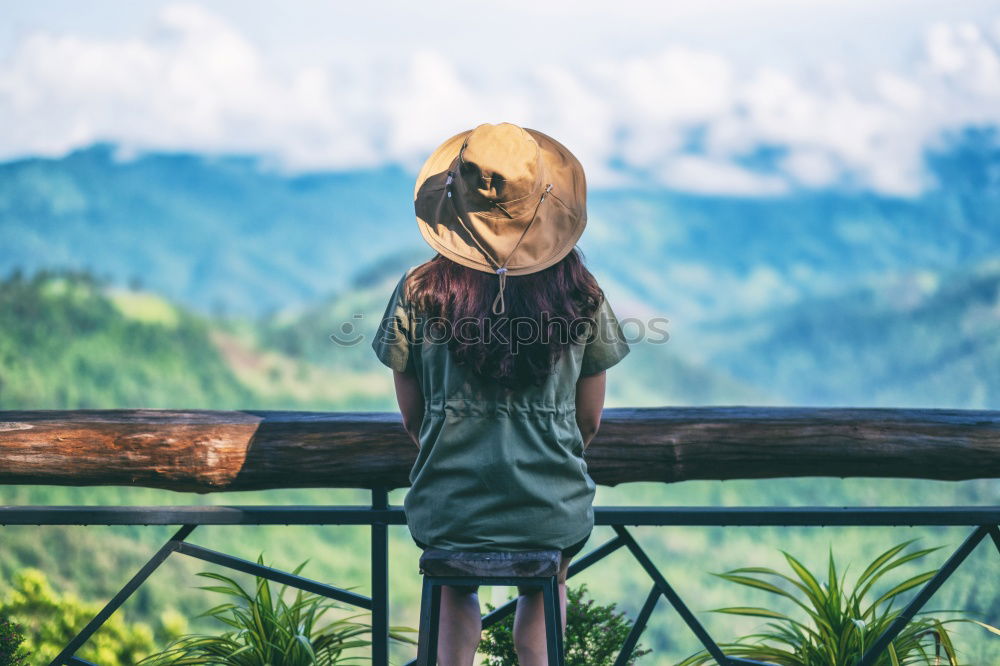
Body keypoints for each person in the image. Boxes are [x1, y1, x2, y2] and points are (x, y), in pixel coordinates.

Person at [372, 122, 630, 666]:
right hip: (552, 508)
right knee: (547, 580)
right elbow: (589, 422)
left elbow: (413, 418)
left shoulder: (418, 291)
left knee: (452, 584)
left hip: (448, 510)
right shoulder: (580, 292)